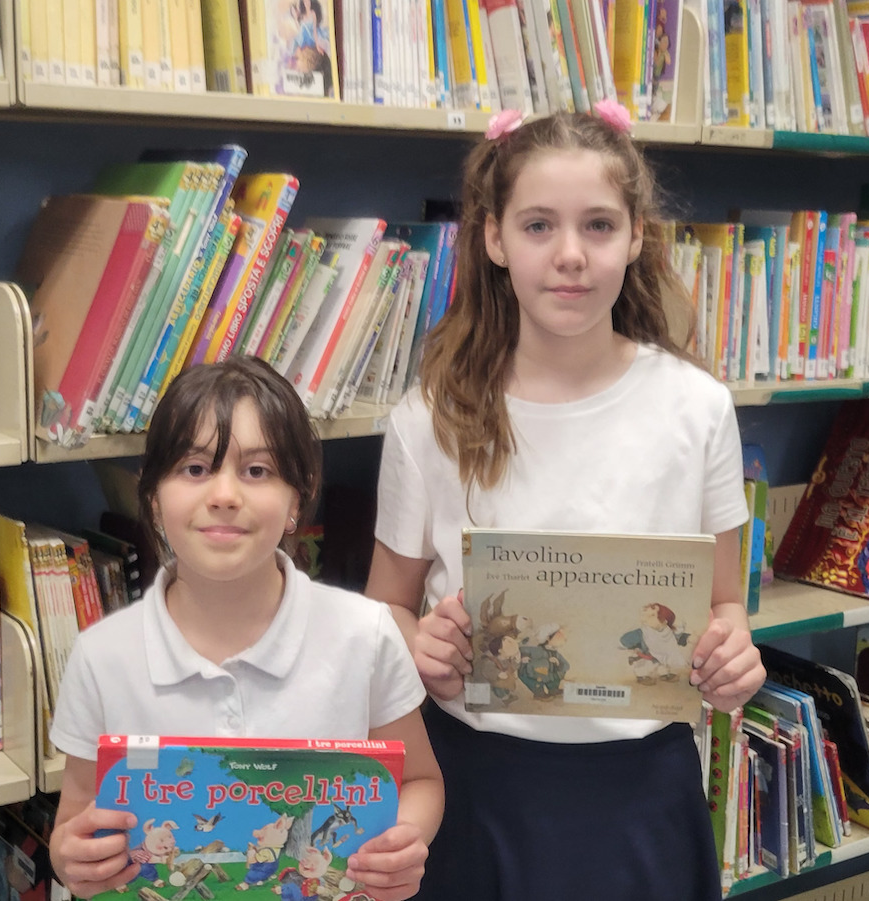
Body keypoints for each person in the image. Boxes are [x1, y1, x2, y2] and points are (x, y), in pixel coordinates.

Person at [365, 102, 766, 900]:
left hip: (643, 785)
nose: (571, 256)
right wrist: (418, 649)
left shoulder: (696, 407)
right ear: (493, 237)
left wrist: (731, 661)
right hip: (476, 783)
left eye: (599, 226)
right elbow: (386, 611)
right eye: (539, 225)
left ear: (638, 236)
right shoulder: (429, 415)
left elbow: (724, 603)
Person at [46, 357, 444, 900]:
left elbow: (421, 783)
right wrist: (76, 858)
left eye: (256, 471)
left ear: (295, 501)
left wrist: (402, 845)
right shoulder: (102, 657)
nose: (224, 494)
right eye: (194, 469)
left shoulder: (366, 635)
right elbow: (75, 819)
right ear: (154, 500)